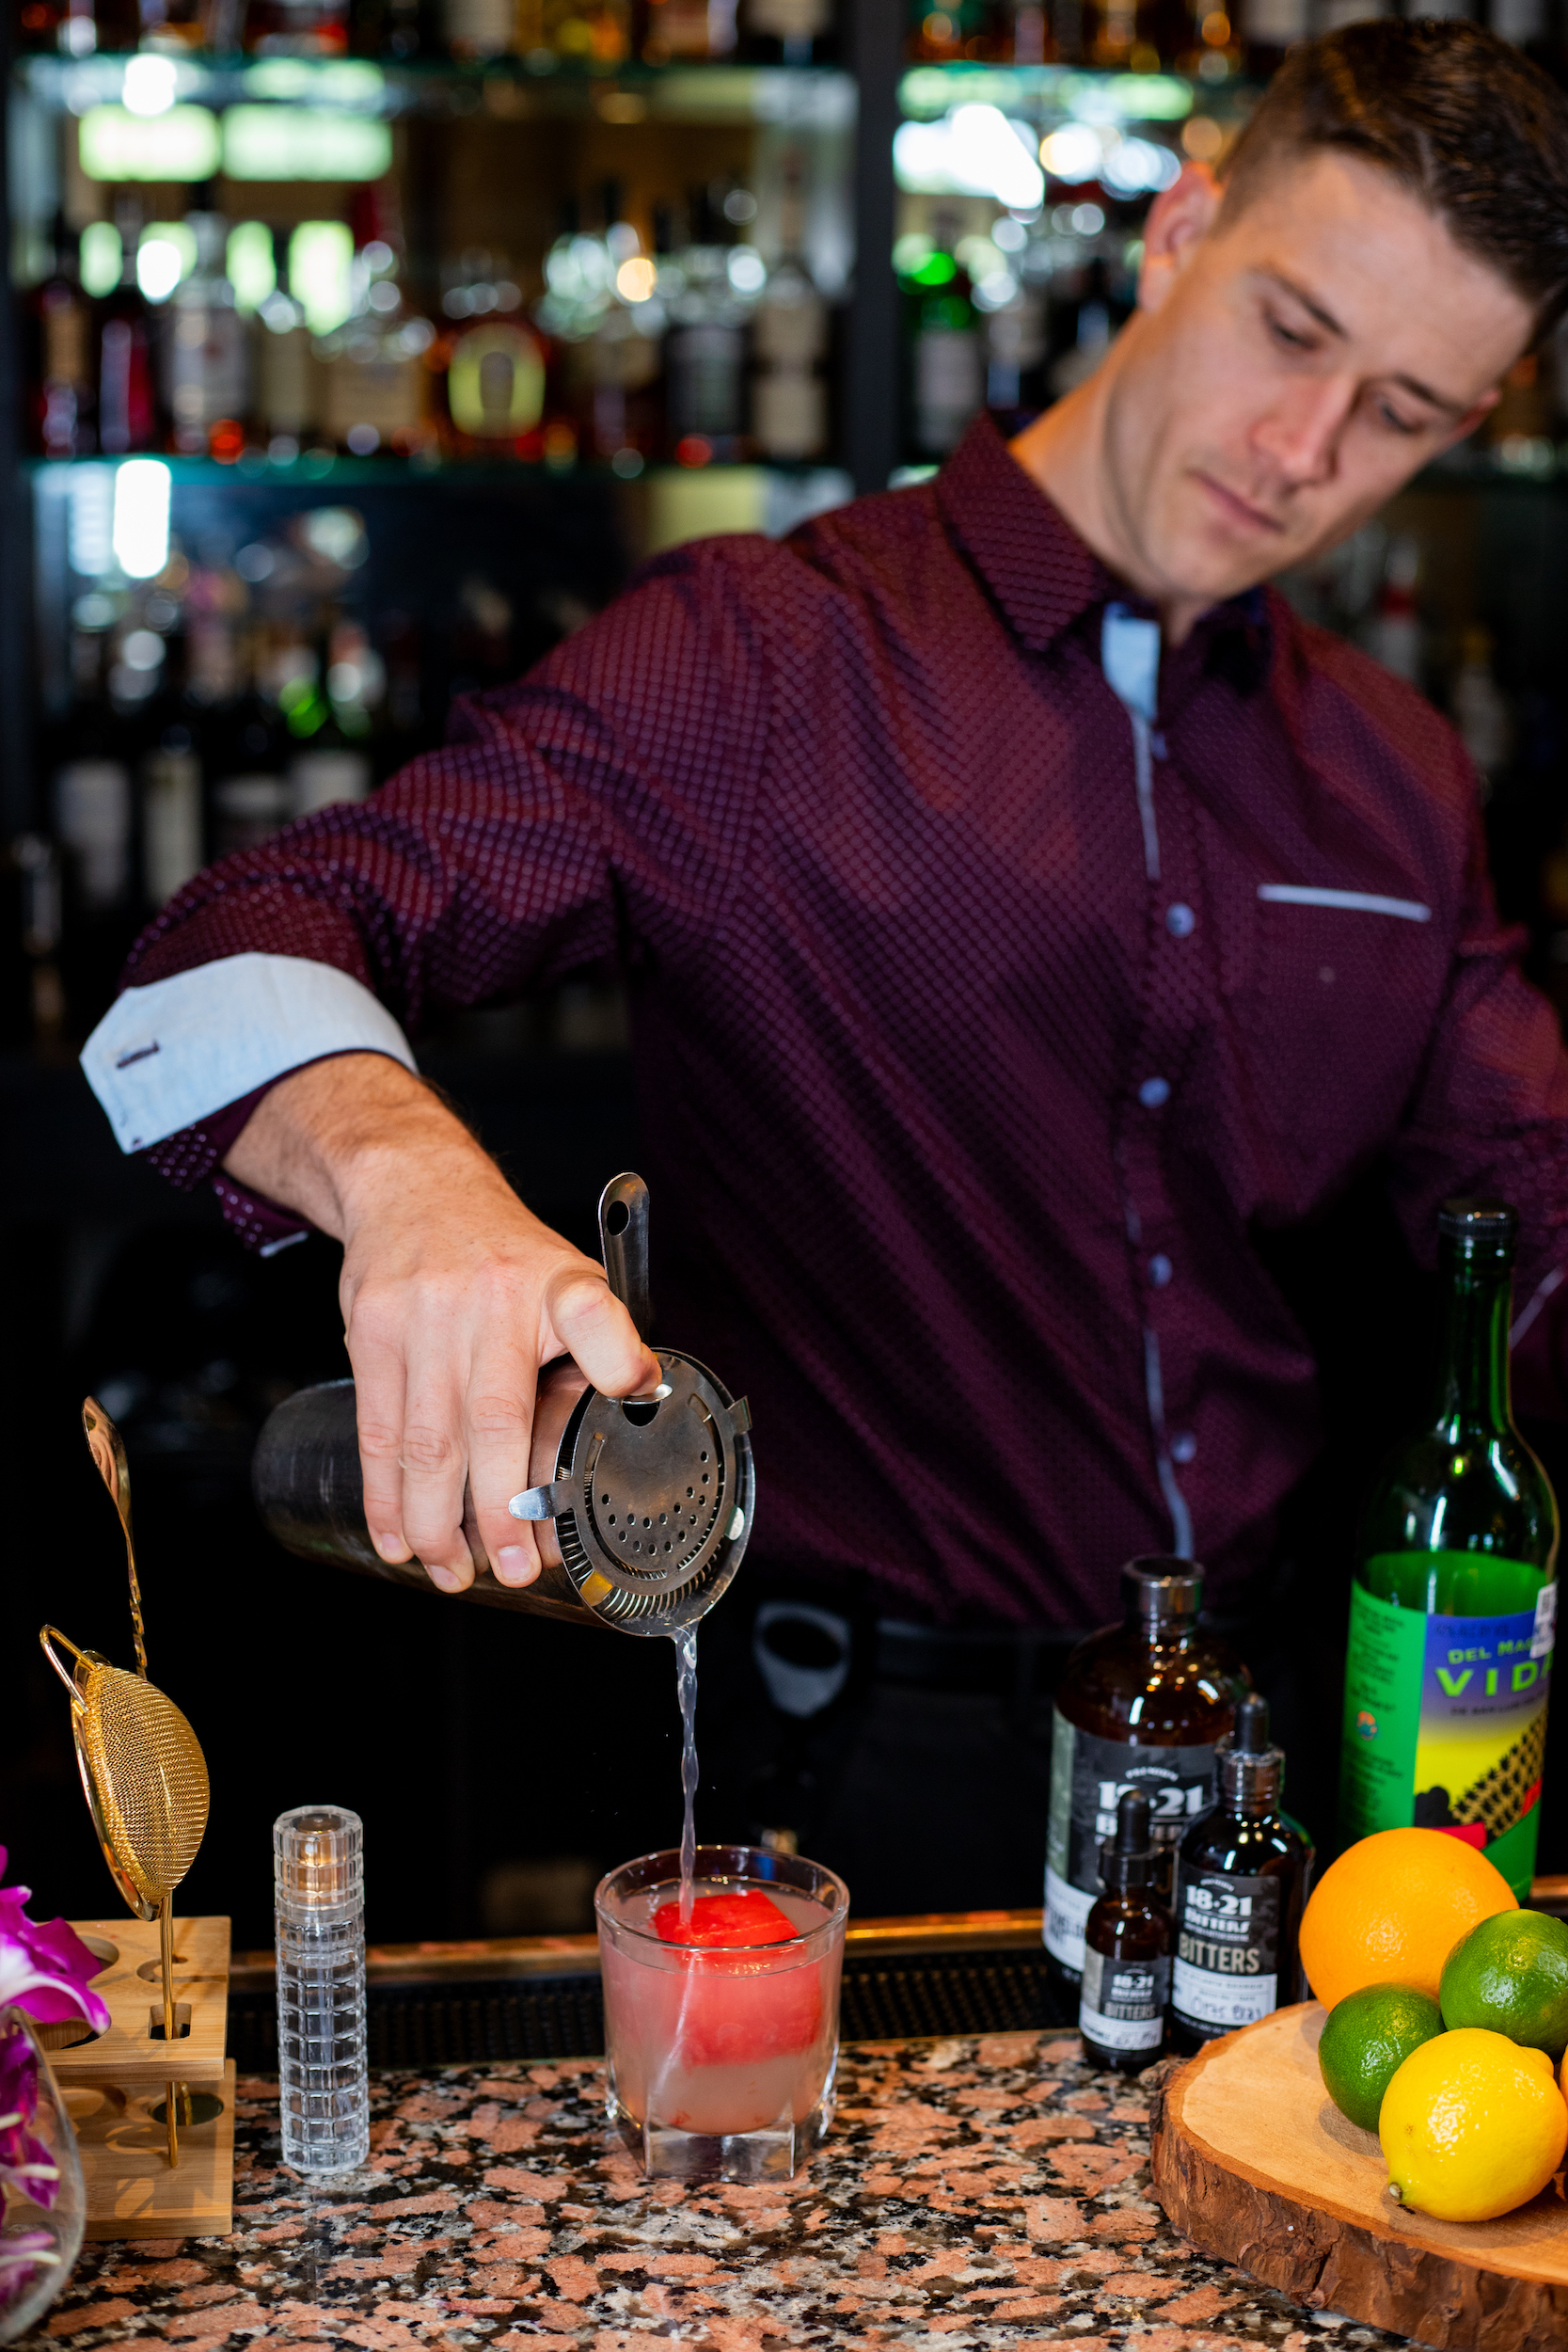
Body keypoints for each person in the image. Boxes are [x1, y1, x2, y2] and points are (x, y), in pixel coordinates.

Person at [81, 21, 1568, 1908]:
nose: (1307, 453)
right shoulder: (768, 662)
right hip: (863, 1763)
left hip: (1278, 1764)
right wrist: (404, 1172)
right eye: (1291, 332)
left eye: (1411, 411)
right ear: (1182, 228)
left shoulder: (1393, 772)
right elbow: (212, 958)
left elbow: (1535, 1230)